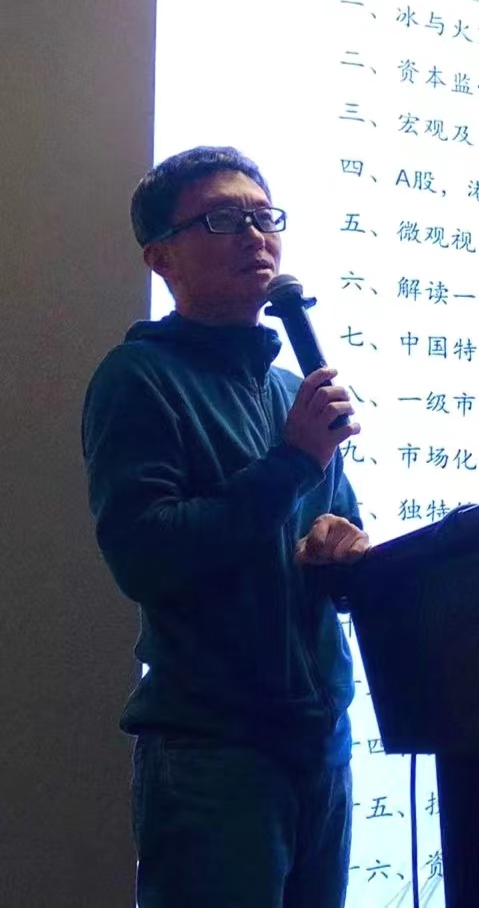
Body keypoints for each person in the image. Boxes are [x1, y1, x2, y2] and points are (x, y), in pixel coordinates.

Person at [82, 145, 369, 908]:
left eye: (264, 217)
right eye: (222, 218)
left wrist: (347, 550)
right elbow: (147, 555)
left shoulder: (293, 391)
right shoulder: (137, 379)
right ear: (160, 257)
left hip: (319, 742)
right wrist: (292, 461)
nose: (254, 235)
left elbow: (341, 526)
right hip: (215, 753)